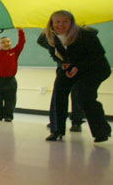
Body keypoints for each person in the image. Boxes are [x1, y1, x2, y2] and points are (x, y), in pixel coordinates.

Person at [37, 10, 111, 142]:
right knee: (58, 93)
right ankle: (56, 130)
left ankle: (102, 132)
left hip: (94, 69)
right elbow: (54, 52)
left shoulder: (86, 34)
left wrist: (78, 67)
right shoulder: (46, 36)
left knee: (84, 96)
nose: (61, 25)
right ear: (52, 23)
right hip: (70, 67)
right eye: (58, 22)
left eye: (65, 21)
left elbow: (98, 55)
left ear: (71, 23)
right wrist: (62, 63)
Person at [0, 28, 25, 122]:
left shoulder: (15, 52)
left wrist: (20, 31)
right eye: (3, 42)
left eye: (8, 41)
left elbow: (22, 42)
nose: (6, 43)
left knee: (10, 100)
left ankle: (8, 116)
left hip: (10, 80)